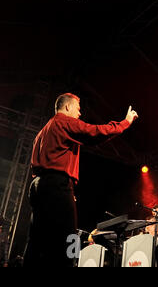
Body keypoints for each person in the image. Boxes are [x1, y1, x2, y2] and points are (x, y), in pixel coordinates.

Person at [24, 93, 138, 267]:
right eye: (78, 109)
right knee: (69, 237)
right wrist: (126, 122)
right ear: (68, 107)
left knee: (37, 240)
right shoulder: (64, 121)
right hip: (56, 186)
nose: (80, 114)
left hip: (39, 187)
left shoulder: (42, 132)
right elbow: (96, 132)